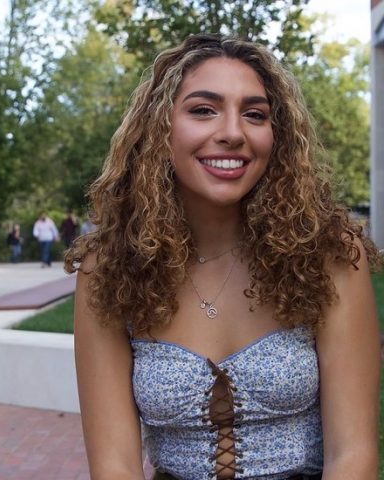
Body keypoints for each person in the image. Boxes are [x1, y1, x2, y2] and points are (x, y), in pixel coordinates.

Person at [64, 34, 381, 479]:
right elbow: (114, 466)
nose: (232, 133)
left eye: (254, 114)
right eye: (202, 109)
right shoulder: (109, 268)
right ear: (160, 129)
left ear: (278, 136)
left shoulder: (328, 255)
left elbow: (354, 456)